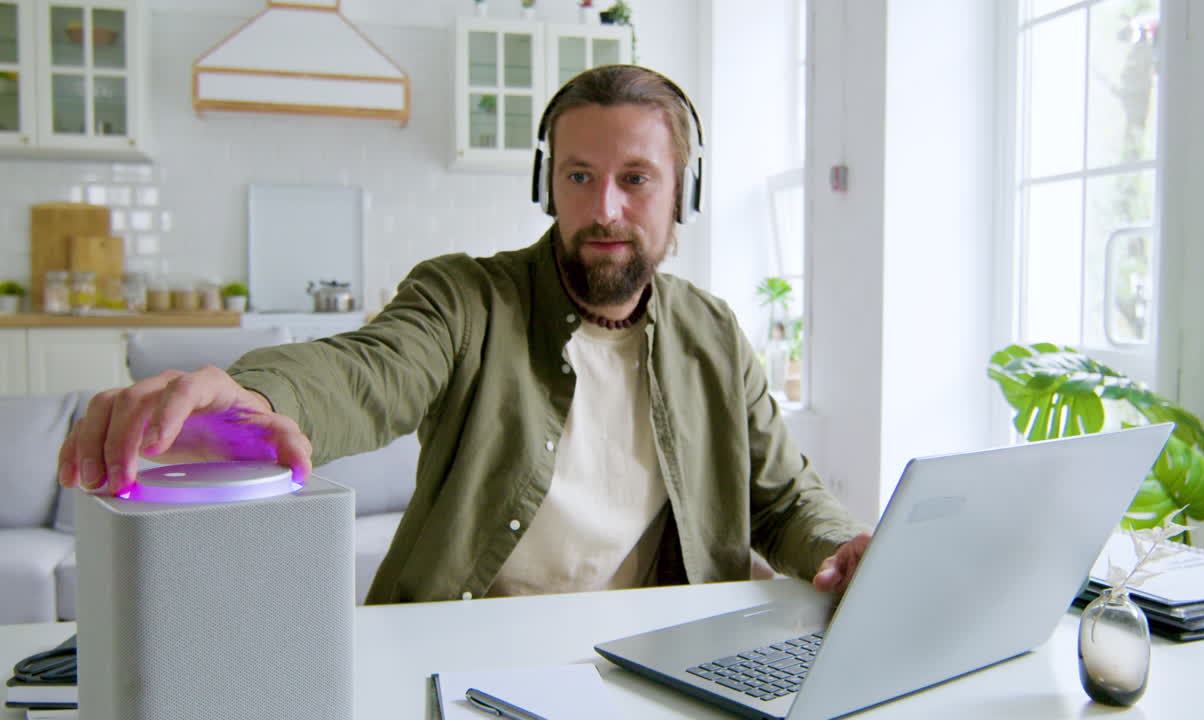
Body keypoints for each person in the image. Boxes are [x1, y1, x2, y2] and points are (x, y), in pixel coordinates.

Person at [56, 65, 872, 603]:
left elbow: (784, 498)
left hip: (647, 657)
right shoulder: (466, 299)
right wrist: (254, 395)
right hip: (463, 647)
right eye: (579, 177)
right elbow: (368, 372)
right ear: (547, 185)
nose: (605, 210)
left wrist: (842, 550)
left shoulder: (714, 336)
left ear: (680, 194)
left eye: (635, 179)